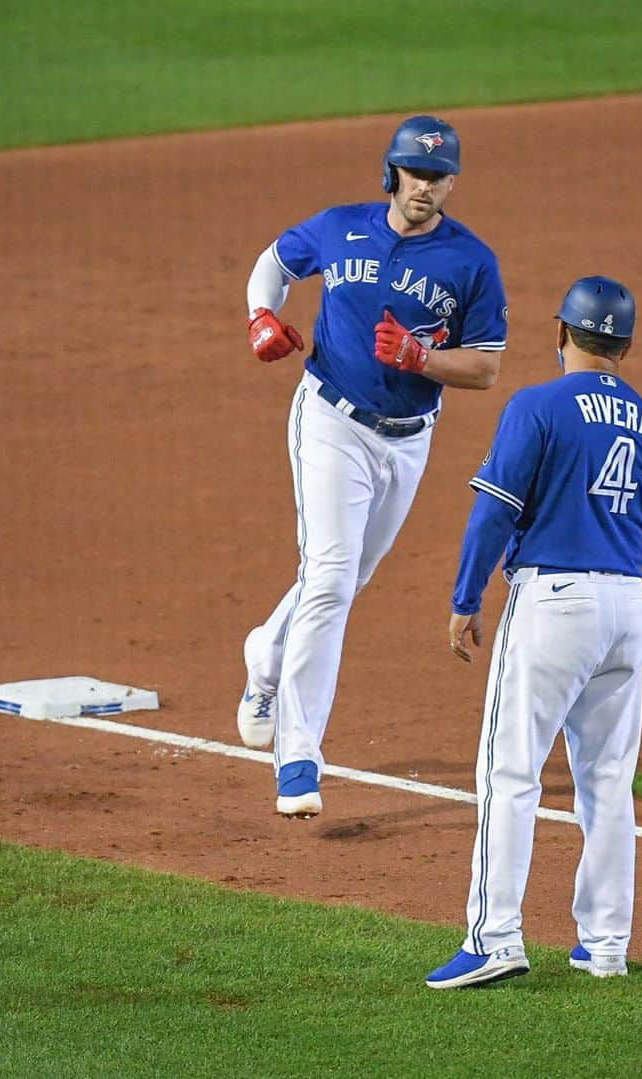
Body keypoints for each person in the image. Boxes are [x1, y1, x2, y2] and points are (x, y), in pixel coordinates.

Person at [239, 115, 508, 819]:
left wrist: (421, 359)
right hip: (330, 417)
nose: (425, 187)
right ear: (392, 173)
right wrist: (262, 318)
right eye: (415, 173)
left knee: (344, 578)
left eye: (439, 176)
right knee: (329, 577)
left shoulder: (471, 262)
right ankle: (298, 757)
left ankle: (265, 654)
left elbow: (485, 368)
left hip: (408, 439)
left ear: (452, 182)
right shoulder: (340, 226)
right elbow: (274, 261)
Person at [425, 276, 642, 989]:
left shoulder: (536, 406)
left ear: (560, 333)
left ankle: (495, 936)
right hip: (628, 607)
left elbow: (495, 513)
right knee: (607, 780)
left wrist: (465, 595)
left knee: (510, 772)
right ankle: (606, 944)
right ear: (623, 346)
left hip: (553, 601)